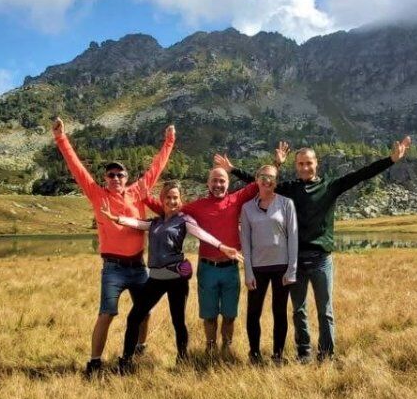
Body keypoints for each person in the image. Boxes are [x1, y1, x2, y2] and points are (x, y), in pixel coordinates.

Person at [230, 136, 412, 362]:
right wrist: (250, 167)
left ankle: (326, 354)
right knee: (298, 310)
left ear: (317, 164)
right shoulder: (290, 189)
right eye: (300, 164)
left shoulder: (330, 186)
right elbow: (262, 182)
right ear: (296, 166)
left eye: (309, 163)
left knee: (325, 311)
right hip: (295, 260)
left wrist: (391, 160)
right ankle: (304, 353)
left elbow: (361, 175)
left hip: (321, 259)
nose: (305, 167)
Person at [52, 116, 175, 376]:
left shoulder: (139, 190)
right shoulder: (97, 194)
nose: (116, 177)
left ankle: (139, 348)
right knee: (107, 313)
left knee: (145, 311)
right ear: (105, 178)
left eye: (120, 174)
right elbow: (77, 169)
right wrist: (61, 138)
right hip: (113, 269)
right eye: (111, 174)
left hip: (138, 266)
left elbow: (157, 167)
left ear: (127, 177)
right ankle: (94, 362)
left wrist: (169, 141)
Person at [100, 183, 242, 371]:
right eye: (168, 197)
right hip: (155, 280)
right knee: (134, 317)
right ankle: (126, 360)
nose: (172, 201)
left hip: (177, 280)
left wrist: (222, 247)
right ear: (163, 200)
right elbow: (137, 223)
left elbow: (202, 234)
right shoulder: (155, 222)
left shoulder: (184, 220)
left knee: (178, 321)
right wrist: (116, 218)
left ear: (180, 200)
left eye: (175, 197)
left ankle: (182, 359)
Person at [145, 156, 268, 356]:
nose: (218, 184)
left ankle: (226, 349)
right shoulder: (197, 206)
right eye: (214, 181)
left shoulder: (236, 199)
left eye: (222, 181)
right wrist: (145, 197)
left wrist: (234, 168)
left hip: (230, 269)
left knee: (229, 315)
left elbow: (259, 183)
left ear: (228, 184)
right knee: (209, 316)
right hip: (207, 269)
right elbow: (169, 209)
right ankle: (210, 348)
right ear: (208, 183)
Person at [238, 164, 298, 365]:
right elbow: (245, 241)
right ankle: (254, 354)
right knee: (253, 312)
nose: (267, 180)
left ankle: (278, 355)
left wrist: (292, 269)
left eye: (271, 177)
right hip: (257, 268)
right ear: (256, 179)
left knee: (279, 312)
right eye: (263, 176)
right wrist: (248, 272)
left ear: (276, 181)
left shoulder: (286, 204)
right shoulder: (247, 208)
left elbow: (293, 238)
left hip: (281, 266)